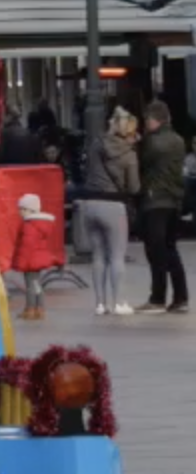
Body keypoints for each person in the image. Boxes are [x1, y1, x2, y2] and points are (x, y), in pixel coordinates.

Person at [80, 106, 140, 316]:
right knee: (116, 256)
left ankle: (99, 304)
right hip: (114, 205)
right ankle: (118, 303)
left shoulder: (96, 144)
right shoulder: (129, 154)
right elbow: (133, 187)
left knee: (98, 256)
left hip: (90, 204)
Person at [138, 101, 188, 313]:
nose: (145, 123)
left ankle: (157, 298)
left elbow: (142, 163)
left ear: (154, 119)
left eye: (147, 120)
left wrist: (138, 142)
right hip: (174, 200)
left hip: (154, 200)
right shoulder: (178, 140)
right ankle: (180, 297)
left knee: (155, 250)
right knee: (170, 249)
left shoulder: (151, 142)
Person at [12, 193, 57, 320]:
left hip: (30, 261)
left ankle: (30, 309)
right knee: (37, 284)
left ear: (29, 210)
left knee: (30, 286)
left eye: (21, 209)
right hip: (37, 260)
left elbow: (27, 246)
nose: (19, 212)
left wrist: (21, 263)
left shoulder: (29, 225)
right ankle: (39, 308)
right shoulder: (41, 224)